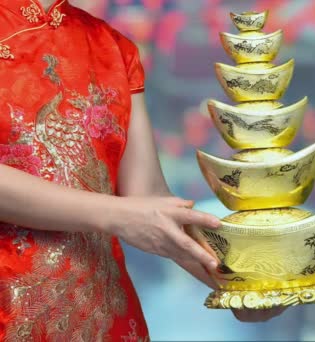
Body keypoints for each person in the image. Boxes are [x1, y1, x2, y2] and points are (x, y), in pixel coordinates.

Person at [0, 0, 283, 340]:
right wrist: (117, 213)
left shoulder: (112, 48)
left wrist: (235, 278)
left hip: (103, 315)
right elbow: (129, 212)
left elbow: (148, 197)